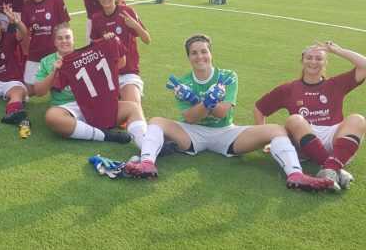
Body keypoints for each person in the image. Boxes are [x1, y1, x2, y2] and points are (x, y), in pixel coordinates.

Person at [122, 34, 334, 192]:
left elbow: (223, 113)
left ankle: (296, 175)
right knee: (157, 121)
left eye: (204, 51)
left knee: (276, 129)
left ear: (211, 53)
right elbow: (190, 118)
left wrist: (201, 101)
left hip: (226, 133)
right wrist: (207, 101)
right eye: (194, 53)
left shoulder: (228, 76)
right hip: (192, 132)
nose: (200, 56)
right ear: (189, 57)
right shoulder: (184, 82)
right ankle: (147, 164)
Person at [254, 41, 365, 191]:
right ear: (302, 60)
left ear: (325, 62)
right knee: (295, 119)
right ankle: (334, 166)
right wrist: (263, 138)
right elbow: (259, 108)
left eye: (319, 58)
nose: (313, 62)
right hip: (304, 139)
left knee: (358, 119)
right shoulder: (289, 89)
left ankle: (329, 169)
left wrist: (338, 51)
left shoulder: (335, 84)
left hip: (335, 139)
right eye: (309, 57)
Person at [33, 25, 140, 144]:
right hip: (67, 108)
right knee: (52, 117)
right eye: (60, 38)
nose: (64, 41)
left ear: (73, 40)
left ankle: (145, 145)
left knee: (133, 108)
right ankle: (104, 135)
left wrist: (110, 43)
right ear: (54, 42)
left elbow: (120, 64)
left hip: (94, 104)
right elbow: (39, 91)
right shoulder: (47, 61)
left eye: (67, 37)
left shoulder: (87, 54)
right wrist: (54, 72)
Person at [89, 0, 150, 104]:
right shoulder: (96, 18)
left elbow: (147, 39)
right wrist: (103, 41)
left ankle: (128, 92)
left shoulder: (127, 12)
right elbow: (93, 48)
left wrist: (135, 25)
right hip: (108, 73)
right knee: (99, 108)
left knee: (132, 107)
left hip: (128, 73)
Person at [20, 0, 70, 90]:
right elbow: (25, 33)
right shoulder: (26, 6)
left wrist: (65, 50)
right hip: (36, 52)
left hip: (55, 52)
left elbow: (65, 25)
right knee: (30, 91)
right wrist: (17, 23)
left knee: (63, 88)